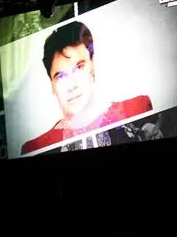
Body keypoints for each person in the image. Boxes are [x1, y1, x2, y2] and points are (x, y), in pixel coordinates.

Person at [21, 21, 153, 155]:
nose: (71, 84)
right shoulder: (35, 149)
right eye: (60, 76)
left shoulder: (138, 110)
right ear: (52, 86)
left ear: (93, 66)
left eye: (79, 67)